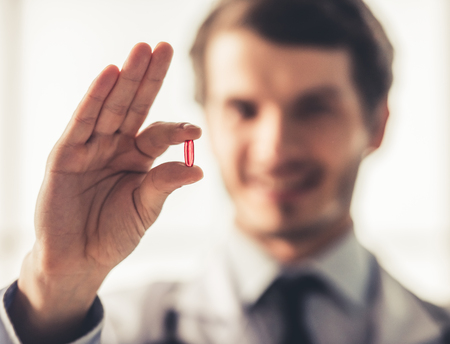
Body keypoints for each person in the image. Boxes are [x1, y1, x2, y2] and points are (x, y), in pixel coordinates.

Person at [1, 0, 449, 343]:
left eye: (314, 108)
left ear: (376, 124)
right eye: (243, 108)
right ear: (207, 121)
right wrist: (57, 288)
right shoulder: (103, 329)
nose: (275, 147)